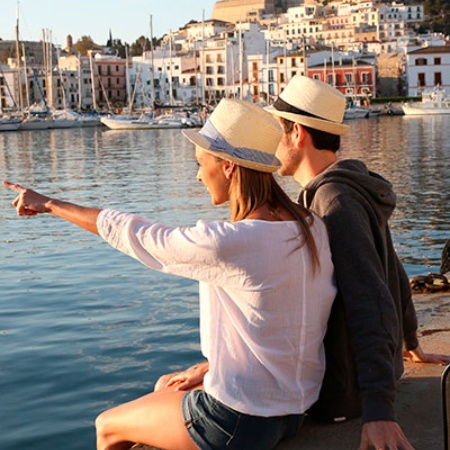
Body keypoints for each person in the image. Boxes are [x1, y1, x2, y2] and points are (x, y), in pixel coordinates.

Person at [4, 98, 337, 450]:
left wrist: (49, 204)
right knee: (167, 384)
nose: (196, 175)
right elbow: (278, 325)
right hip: (295, 409)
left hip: (239, 422)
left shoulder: (232, 242)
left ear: (228, 167)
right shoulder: (310, 226)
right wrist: (209, 368)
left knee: (107, 425)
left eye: (200, 163)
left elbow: (136, 234)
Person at [264, 75, 450, 449]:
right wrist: (410, 340)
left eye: (276, 131)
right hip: (356, 379)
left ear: (298, 133)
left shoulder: (334, 202)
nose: (271, 142)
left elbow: (369, 297)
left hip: (341, 393)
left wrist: (379, 412)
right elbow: (392, 267)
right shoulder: (346, 186)